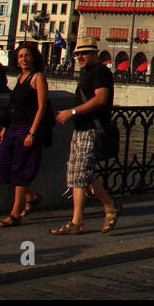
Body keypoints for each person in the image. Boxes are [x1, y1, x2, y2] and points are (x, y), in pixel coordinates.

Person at [52, 42, 121, 234]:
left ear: (95, 53)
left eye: (84, 53)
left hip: (92, 129)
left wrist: (72, 111)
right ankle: (103, 209)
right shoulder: (88, 72)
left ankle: (81, 219)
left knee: (82, 173)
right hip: (81, 129)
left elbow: (100, 99)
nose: (79, 57)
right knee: (79, 174)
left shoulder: (100, 72)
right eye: (77, 55)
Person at [0, 43, 50, 227]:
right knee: (4, 167)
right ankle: (31, 197)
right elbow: (14, 106)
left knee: (20, 169)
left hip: (27, 128)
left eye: (27, 55)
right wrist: (5, 127)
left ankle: (15, 214)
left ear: (33, 57)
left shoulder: (38, 78)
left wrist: (32, 132)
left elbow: (42, 108)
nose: (23, 59)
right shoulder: (20, 78)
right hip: (13, 127)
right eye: (20, 56)